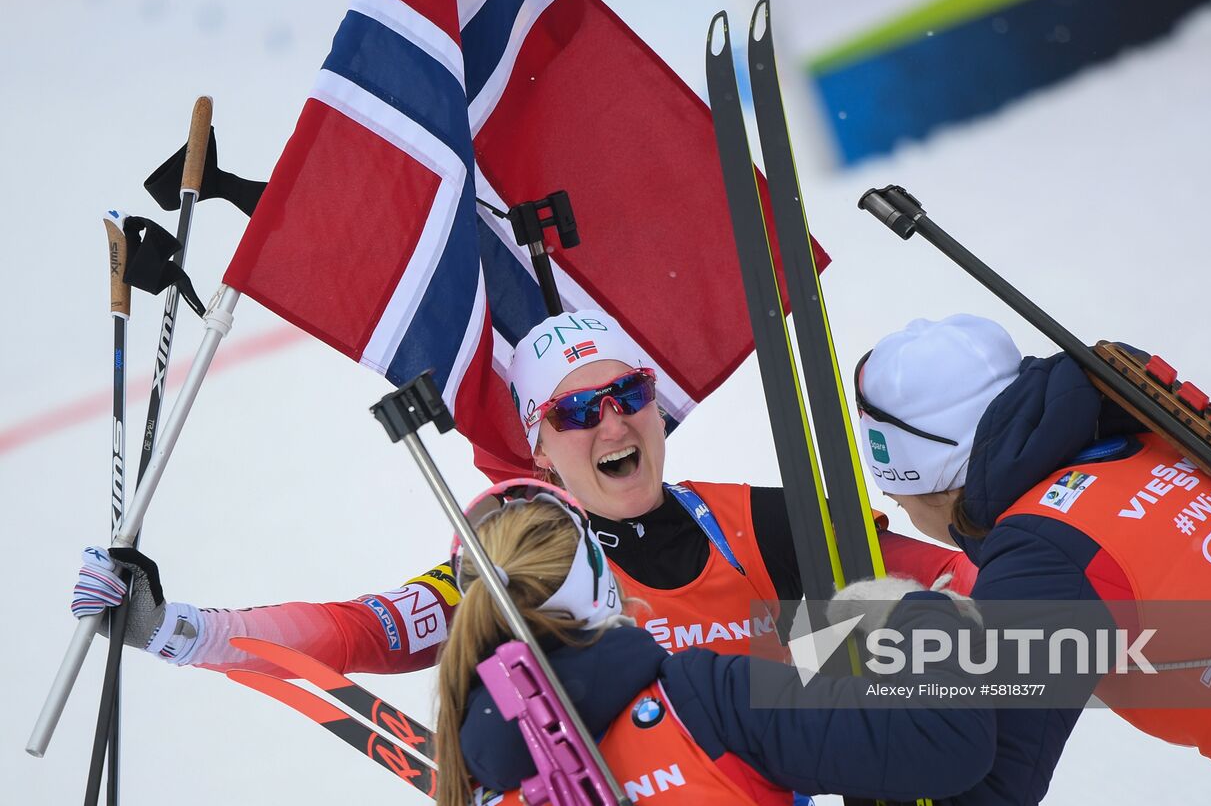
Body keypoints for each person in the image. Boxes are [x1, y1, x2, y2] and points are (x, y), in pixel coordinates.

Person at [72, 307, 973, 675]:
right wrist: (174, 627)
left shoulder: (755, 521)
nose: (614, 424)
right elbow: (366, 630)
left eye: (629, 394)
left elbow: (968, 597)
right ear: (538, 447)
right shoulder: (522, 561)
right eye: (578, 411)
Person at [850, 313, 1211, 805]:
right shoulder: (1149, 434)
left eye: (898, 503)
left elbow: (984, 782)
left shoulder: (1045, 551)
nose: (902, 514)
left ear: (933, 487)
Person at [434, 479, 994, 806]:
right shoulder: (702, 696)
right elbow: (945, 739)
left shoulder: (472, 780)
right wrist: (916, 614)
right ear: (600, 580)